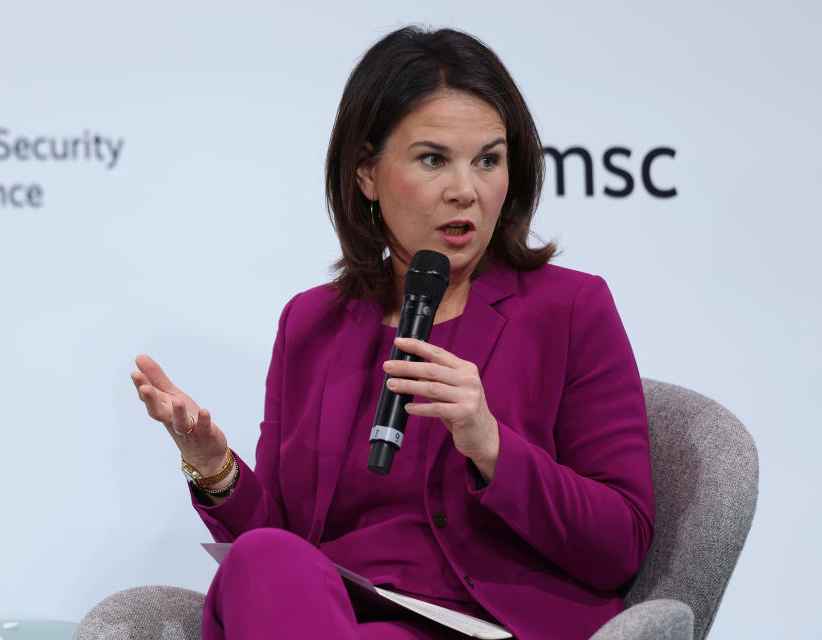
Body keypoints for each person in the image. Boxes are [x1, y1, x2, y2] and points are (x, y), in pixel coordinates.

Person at [131, 26, 653, 640]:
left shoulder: (570, 308)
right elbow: (283, 542)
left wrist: (491, 445)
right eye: (434, 159)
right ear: (367, 176)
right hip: (336, 619)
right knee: (262, 559)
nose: (466, 190)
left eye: (488, 159)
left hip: (486, 625)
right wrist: (213, 467)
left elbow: (622, 545)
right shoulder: (312, 322)